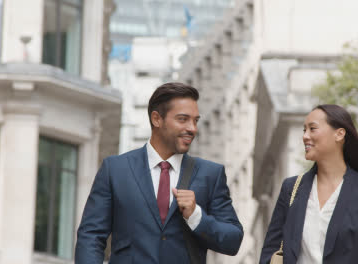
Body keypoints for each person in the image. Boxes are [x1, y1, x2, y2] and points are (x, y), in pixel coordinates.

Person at [75, 82, 243, 264]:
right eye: (183, 119)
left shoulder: (211, 174)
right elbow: (91, 236)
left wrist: (196, 216)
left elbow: (233, 240)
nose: (192, 128)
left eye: (195, 120)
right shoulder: (115, 169)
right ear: (157, 119)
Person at [259, 104, 358, 264]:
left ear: (339, 134)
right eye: (304, 130)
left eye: (313, 129)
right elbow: (269, 251)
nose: (305, 136)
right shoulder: (291, 188)